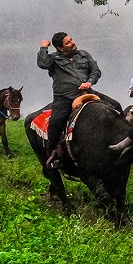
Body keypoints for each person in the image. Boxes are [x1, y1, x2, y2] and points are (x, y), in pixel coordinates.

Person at [36, 32, 120, 168]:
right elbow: (42, 63)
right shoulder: (52, 59)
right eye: (68, 42)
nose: (73, 43)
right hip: (64, 97)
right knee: (56, 122)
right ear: (61, 48)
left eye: (71, 40)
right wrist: (43, 48)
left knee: (116, 105)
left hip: (87, 91)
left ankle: (123, 142)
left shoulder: (83, 54)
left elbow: (95, 71)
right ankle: (53, 154)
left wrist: (89, 82)